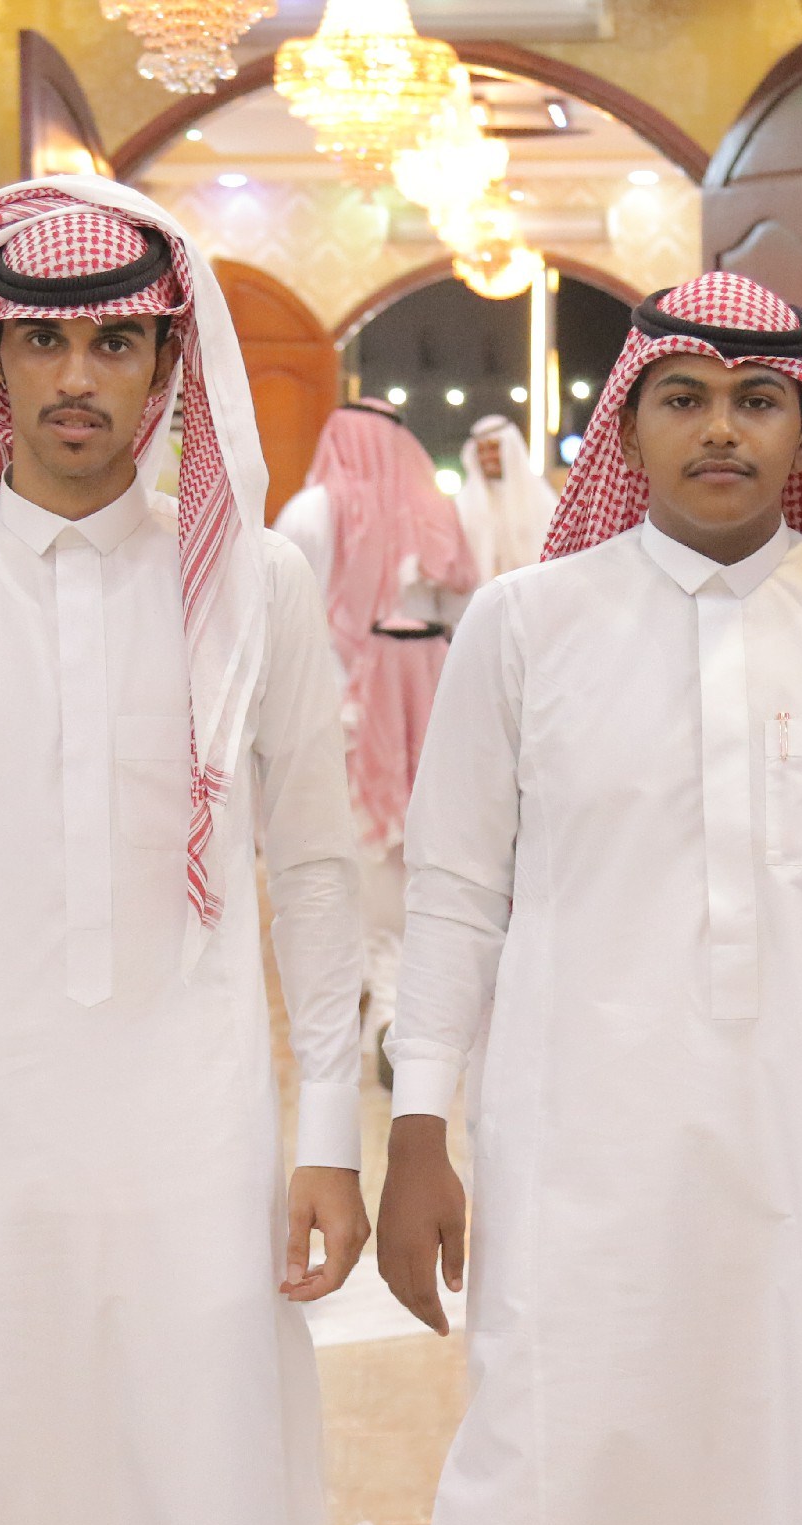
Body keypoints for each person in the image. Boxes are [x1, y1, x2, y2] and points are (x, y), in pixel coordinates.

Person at [375, 273, 802, 1525]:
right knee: (557, 1464)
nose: (721, 429)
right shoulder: (524, 626)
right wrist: (418, 1129)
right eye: (684, 398)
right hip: (575, 1156)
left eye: (758, 400)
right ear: (629, 424)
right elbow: (452, 894)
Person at [0, 176, 368, 1525]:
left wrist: (329, 1135)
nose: (77, 378)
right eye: (43, 342)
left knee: (211, 1467)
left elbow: (317, 868)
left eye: (116, 343)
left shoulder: (253, 587)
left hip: (201, 1130)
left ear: (165, 364)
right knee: (8, 1473)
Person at [271, 400, 477, 1066]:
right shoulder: (434, 509)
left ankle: (382, 1003)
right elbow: (460, 614)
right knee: (402, 858)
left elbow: (289, 619)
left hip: (345, 716)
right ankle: (389, 1001)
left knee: (358, 861)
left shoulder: (311, 511)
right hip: (423, 709)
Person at [453, 414, 555, 580]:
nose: (487, 457)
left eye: (494, 448)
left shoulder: (542, 501)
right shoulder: (463, 504)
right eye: (481, 450)